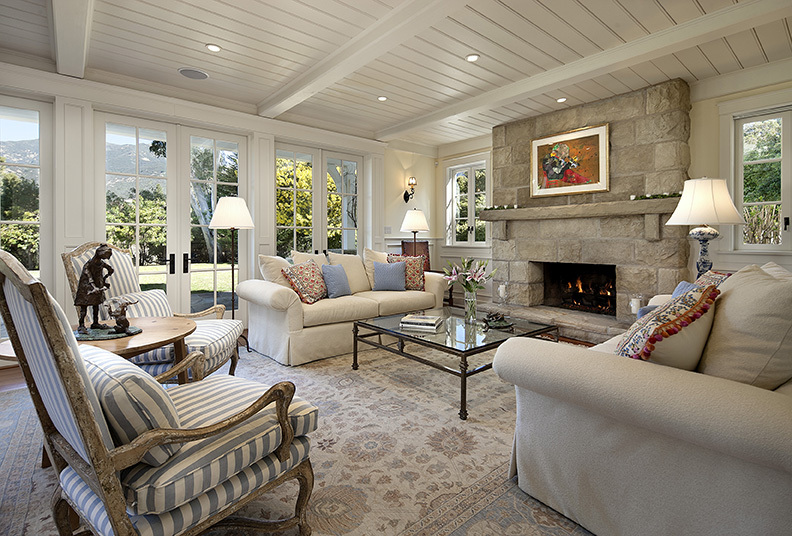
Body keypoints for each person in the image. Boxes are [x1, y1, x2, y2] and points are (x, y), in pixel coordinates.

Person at [75, 244, 114, 334]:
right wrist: (94, 287)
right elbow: (89, 277)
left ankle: (95, 323)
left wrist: (106, 277)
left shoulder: (100, 263)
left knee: (96, 305)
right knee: (84, 307)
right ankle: (81, 325)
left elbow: (109, 269)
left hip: (97, 285)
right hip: (86, 288)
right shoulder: (88, 264)